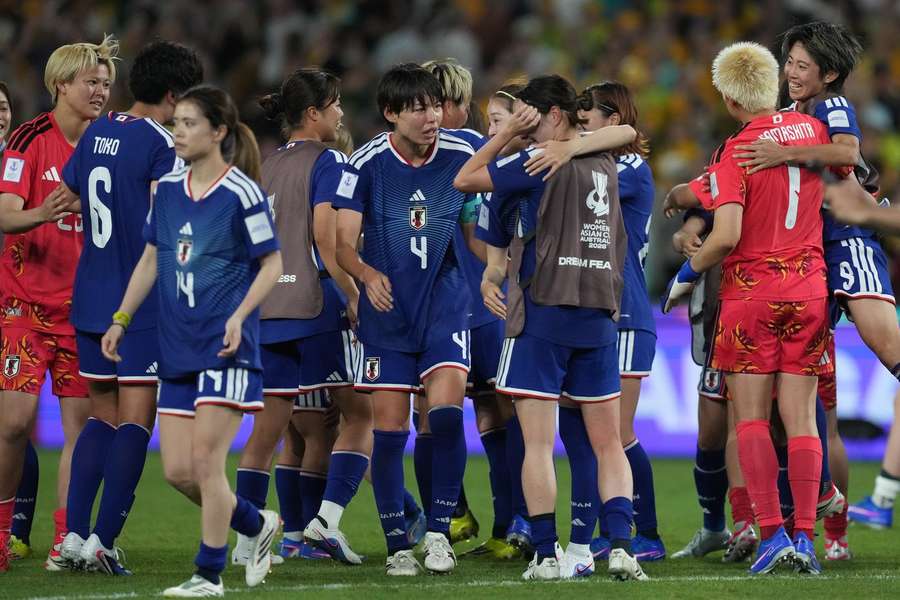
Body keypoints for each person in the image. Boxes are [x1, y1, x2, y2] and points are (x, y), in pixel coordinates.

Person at [662, 41, 845, 575]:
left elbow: (726, 235)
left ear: (729, 98)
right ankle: (807, 538)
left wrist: (685, 276)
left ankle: (771, 536)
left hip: (751, 296)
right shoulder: (810, 131)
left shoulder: (736, 149)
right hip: (810, 289)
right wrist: (687, 191)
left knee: (752, 422)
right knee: (801, 421)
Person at [455, 74, 646, 582]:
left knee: (538, 443)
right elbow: (626, 135)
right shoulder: (607, 162)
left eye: (528, 115)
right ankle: (622, 549)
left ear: (551, 115)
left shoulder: (535, 161)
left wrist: (504, 137)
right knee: (607, 442)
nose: (522, 124)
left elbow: (466, 179)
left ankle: (544, 552)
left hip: (544, 314)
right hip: (600, 315)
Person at [101, 85, 282, 597]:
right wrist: (121, 318)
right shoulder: (171, 189)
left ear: (218, 132)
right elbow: (151, 258)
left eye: (188, 123)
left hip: (226, 345)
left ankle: (208, 574)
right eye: (175, 122)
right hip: (176, 346)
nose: (177, 131)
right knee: (180, 472)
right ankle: (255, 523)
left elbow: (273, 264)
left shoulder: (240, 192)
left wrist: (241, 315)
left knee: (206, 461)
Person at [734, 22, 899, 556]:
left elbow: (847, 153)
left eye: (802, 65)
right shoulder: (787, 120)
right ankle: (835, 528)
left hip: (846, 242)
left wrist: (784, 157)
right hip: (805, 259)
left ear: (827, 74)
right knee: (814, 412)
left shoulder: (830, 109)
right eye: (790, 63)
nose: (792, 72)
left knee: (887, 347)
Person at [55, 40, 202, 575]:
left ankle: (72, 537)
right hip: (137, 305)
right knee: (136, 422)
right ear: (173, 94)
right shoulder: (164, 146)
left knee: (102, 415)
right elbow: (168, 233)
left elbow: (73, 193)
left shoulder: (98, 131)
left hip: (89, 295)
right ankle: (104, 540)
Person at [333, 64, 475, 576]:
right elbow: (341, 244)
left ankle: (439, 534)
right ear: (392, 113)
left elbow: (486, 204)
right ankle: (398, 546)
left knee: (445, 416)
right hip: (389, 312)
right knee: (389, 431)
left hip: (445, 304)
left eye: (435, 105)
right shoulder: (365, 163)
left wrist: (496, 264)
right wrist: (367, 275)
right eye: (418, 107)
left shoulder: (463, 152)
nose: (431, 116)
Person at [231, 67, 371, 567]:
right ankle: (323, 523)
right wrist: (353, 294)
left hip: (267, 306)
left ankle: (252, 540)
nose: (340, 113)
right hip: (316, 304)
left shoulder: (268, 163)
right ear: (313, 113)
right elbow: (328, 239)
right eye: (334, 104)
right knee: (360, 416)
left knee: (268, 433)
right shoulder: (330, 158)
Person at [0, 36, 118, 572]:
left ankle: (63, 541)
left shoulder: (110, 147)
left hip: (84, 312)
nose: (101, 91)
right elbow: (4, 215)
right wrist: (44, 212)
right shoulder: (27, 139)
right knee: (13, 425)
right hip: (23, 304)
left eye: (106, 83)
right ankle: (2, 533)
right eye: (92, 82)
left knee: (80, 432)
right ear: (61, 84)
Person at [566, 81, 665, 563]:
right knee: (594, 434)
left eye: (588, 117)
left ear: (613, 118)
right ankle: (611, 529)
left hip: (625, 314)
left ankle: (643, 532)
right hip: (599, 313)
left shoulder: (627, 168)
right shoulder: (603, 163)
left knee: (618, 435)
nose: (580, 124)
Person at [0, 81, 42, 564]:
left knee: (13, 423)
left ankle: (18, 527)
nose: (0, 115)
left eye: (4, 107)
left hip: (15, 303)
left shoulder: (22, 158)